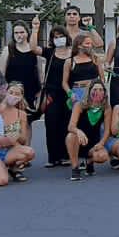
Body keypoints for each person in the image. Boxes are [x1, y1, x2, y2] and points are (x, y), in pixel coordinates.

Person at [41, 25, 73, 167]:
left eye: (61, 36)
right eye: (56, 37)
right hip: (52, 93)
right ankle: (53, 157)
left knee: (67, 124)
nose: (59, 39)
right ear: (52, 40)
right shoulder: (50, 52)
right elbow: (33, 48)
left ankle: (66, 155)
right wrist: (35, 28)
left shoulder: (73, 52)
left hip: (69, 93)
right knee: (51, 123)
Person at [67, 79, 111, 180]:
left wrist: (101, 143)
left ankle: (90, 161)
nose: (98, 92)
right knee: (71, 136)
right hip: (79, 141)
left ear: (104, 92)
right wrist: (79, 131)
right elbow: (70, 126)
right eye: (95, 89)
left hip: (93, 143)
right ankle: (75, 168)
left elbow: (107, 131)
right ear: (89, 91)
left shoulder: (107, 108)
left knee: (102, 156)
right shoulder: (79, 105)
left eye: (101, 90)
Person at [2, 18, 43, 121]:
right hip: (12, 93)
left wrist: (40, 92)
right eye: (16, 33)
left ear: (27, 33)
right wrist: (2, 94)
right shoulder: (8, 50)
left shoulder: (34, 50)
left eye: (21, 32)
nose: (19, 35)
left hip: (30, 93)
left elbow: (39, 72)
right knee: (12, 124)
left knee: (27, 123)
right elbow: (1, 73)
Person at [63, 33, 102, 109]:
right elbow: (64, 82)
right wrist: (70, 93)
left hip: (93, 92)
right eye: (87, 43)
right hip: (77, 92)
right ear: (79, 45)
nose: (90, 46)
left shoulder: (95, 59)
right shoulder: (70, 61)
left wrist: (100, 91)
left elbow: (102, 78)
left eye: (91, 43)